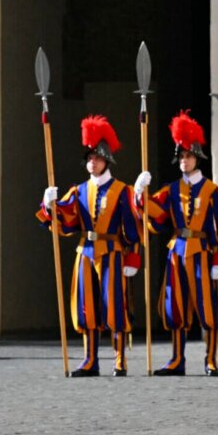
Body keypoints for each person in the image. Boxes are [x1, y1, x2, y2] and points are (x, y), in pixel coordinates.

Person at [136, 112, 218, 377]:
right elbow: (155, 214)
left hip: (203, 253)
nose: (184, 160)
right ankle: (176, 359)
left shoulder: (213, 192)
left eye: (188, 156)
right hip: (177, 252)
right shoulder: (170, 190)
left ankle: (211, 359)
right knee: (176, 307)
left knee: (209, 308)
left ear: (197, 158)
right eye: (181, 156)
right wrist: (140, 195)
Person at [38, 115, 142, 377]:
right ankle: (90, 360)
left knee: (114, 305)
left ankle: (119, 359)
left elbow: (133, 228)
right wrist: (48, 204)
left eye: (96, 158)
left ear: (106, 159)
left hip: (112, 252)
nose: (91, 162)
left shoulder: (122, 191)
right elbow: (64, 219)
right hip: (85, 252)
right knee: (86, 307)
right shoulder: (78, 191)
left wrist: (133, 258)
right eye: (89, 158)